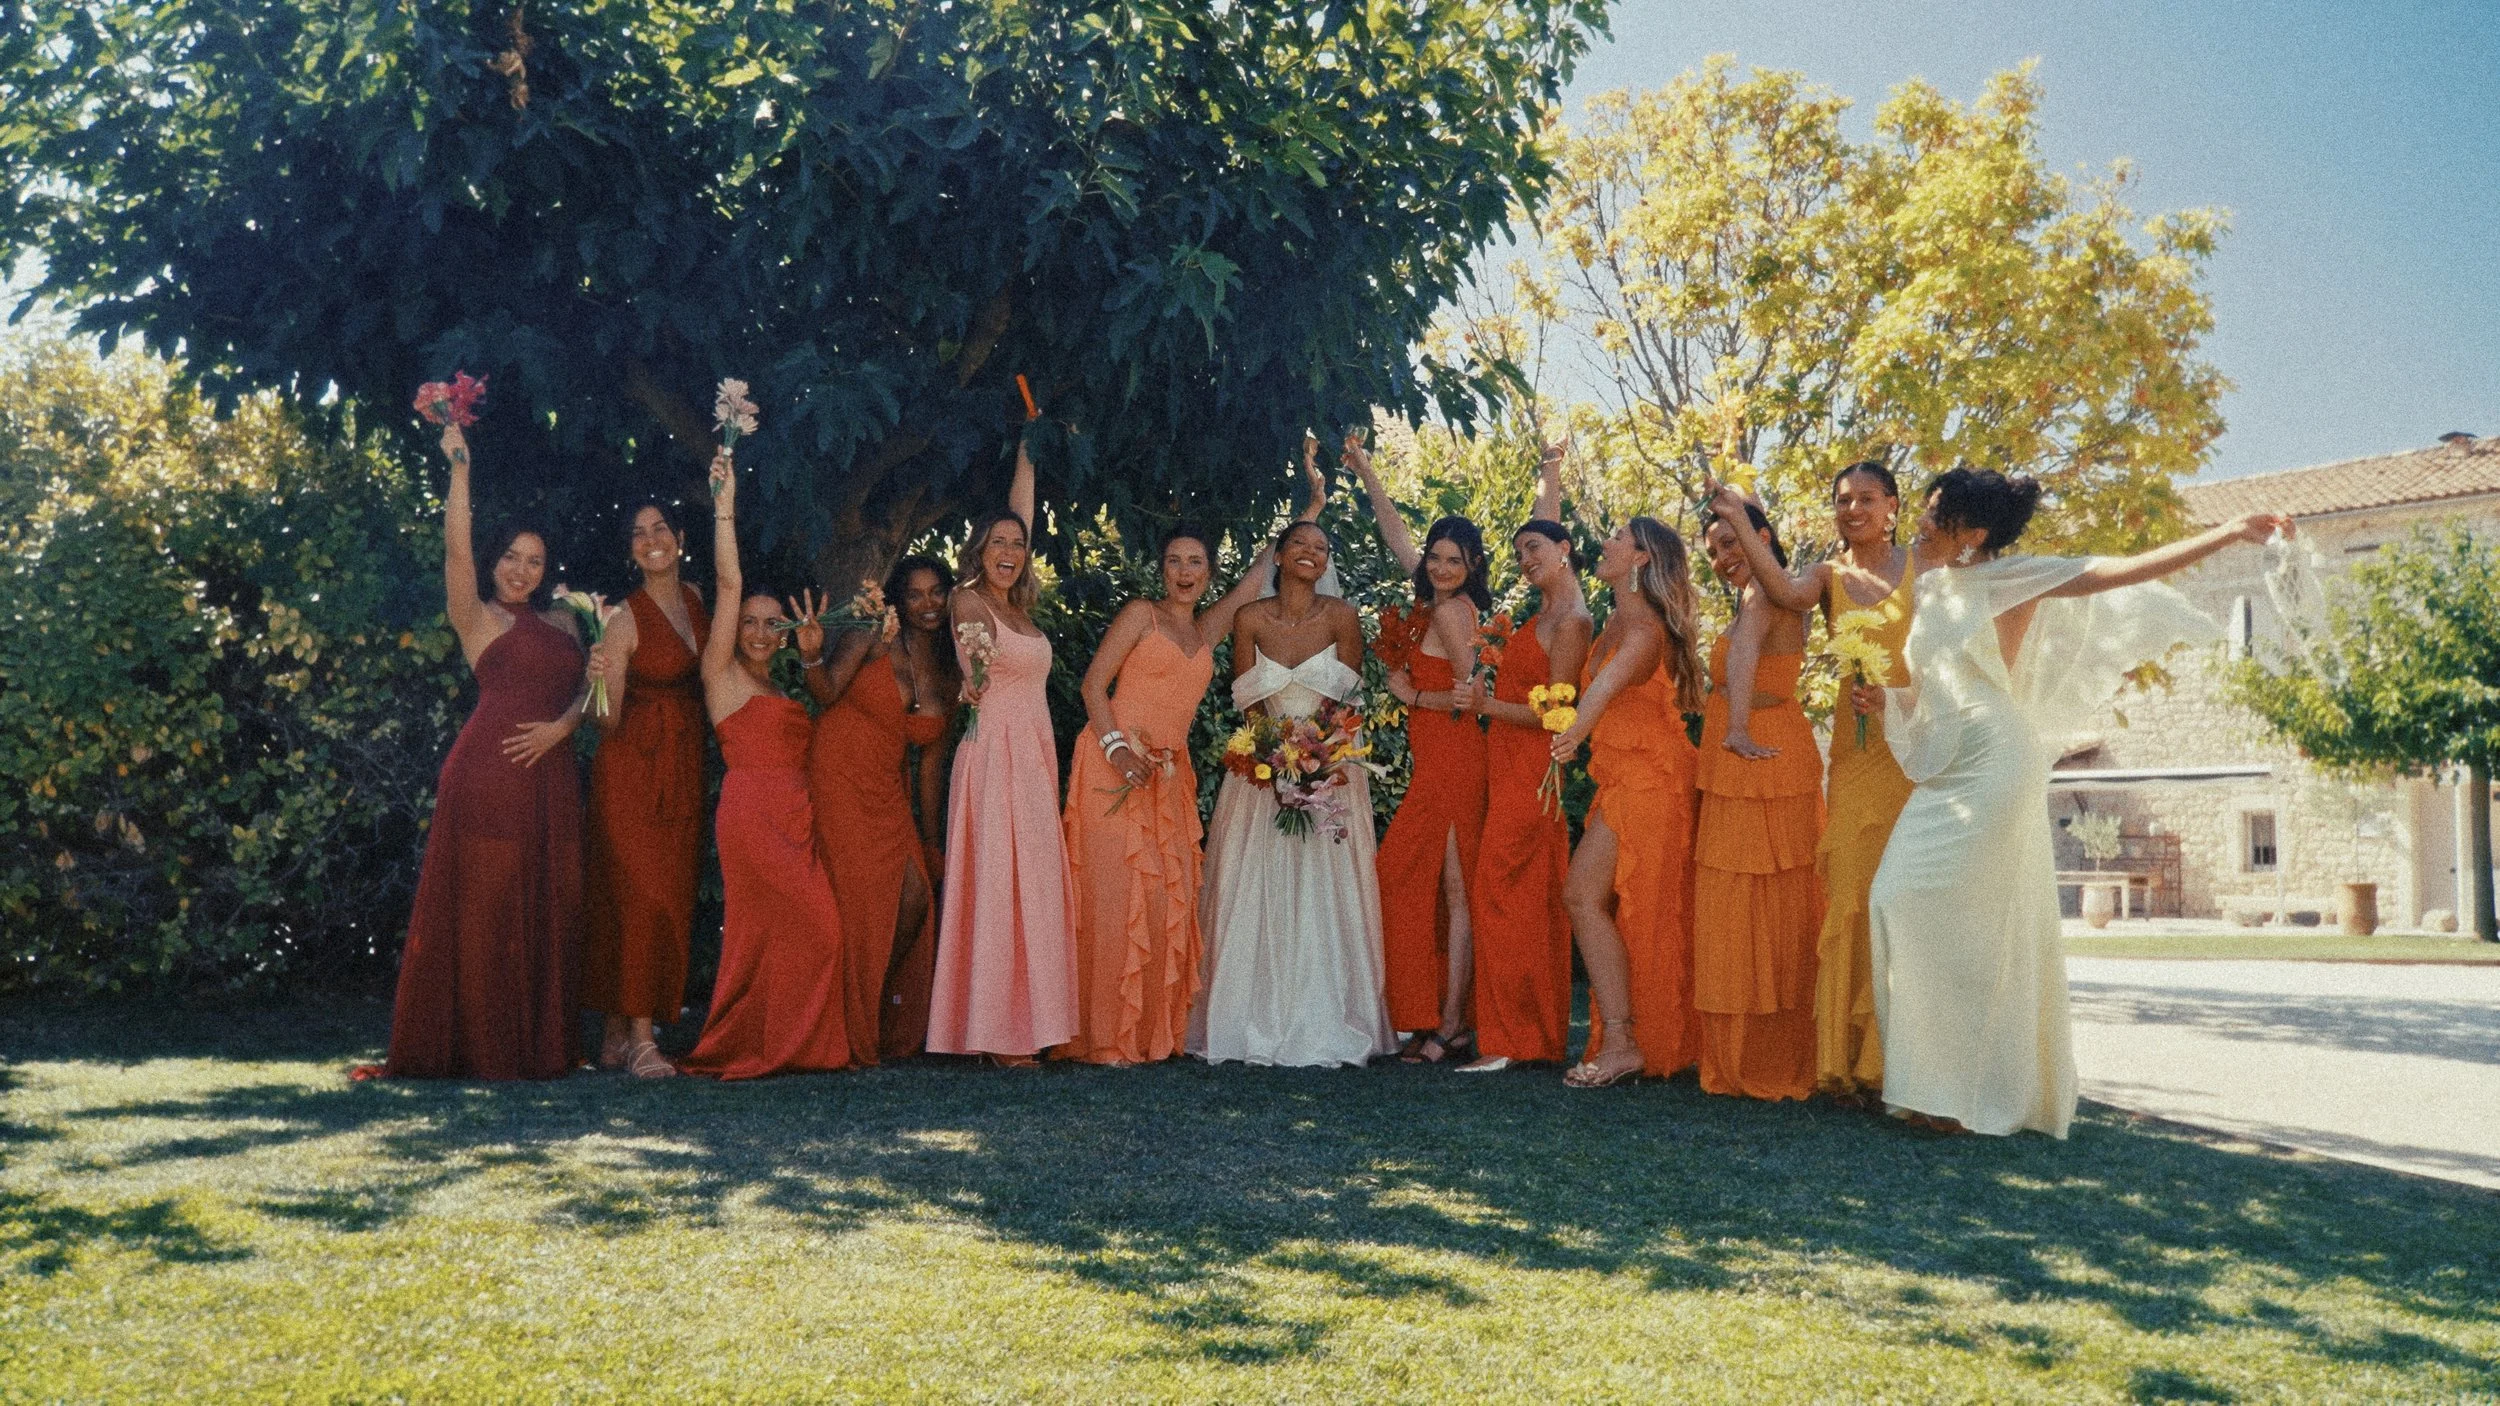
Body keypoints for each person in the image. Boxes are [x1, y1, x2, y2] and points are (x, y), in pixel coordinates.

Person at [1865, 469, 2289, 1136]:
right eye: (1925, 509)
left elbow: (2112, 571)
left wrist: (2229, 532)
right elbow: (1935, 686)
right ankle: (1932, 1085)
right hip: (1949, 770)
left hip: (1996, 761)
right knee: (1894, 897)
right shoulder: (1929, 587)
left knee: (1966, 923)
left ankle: (1959, 1098)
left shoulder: (2010, 577)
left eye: (1936, 515)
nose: (1919, 522)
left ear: (1974, 534)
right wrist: (1888, 700)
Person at [1056, 445, 1327, 1065]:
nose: (1185, 571)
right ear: (1161, 569)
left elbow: (1256, 577)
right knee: (1114, 897)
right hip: (1111, 764)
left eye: (1196, 562)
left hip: (1168, 777)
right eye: (1175, 561)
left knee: (1160, 904)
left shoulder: (1203, 630)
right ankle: (1100, 1038)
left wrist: (1309, 511)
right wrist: (1118, 750)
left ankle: (1145, 1036)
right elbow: (1093, 686)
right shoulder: (1141, 616)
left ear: (1208, 571)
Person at [382, 419, 588, 1081]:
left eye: (534, 561)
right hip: (488, 776)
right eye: (511, 558)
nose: (521, 571)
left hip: (553, 778)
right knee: (486, 908)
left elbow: (594, 696)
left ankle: (538, 1046)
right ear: (494, 559)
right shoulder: (476, 616)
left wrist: (563, 727)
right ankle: (483, 1049)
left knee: (547, 903)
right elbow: (455, 551)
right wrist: (460, 469)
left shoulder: (567, 620)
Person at [1705, 463, 1912, 1103]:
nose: (1853, 509)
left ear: (1893, 505)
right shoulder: (1825, 576)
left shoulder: (1925, 567)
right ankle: (1849, 1062)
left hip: (1918, 737)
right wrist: (1738, 515)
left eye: (1867, 498)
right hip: (1858, 745)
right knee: (1850, 889)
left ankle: (1905, 1057)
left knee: (1905, 895)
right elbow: (1778, 590)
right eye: (1843, 499)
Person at [1190, 519, 1394, 1067]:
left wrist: (1314, 758)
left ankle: (1327, 1013)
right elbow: (1246, 698)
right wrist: (1275, 758)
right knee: (1253, 881)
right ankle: (1248, 1016)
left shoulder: (1343, 617)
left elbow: (1345, 700)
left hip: (1331, 767)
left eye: (1321, 548)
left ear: (1327, 563)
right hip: (1261, 770)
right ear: (1278, 555)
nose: (1311, 552)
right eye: (1300, 543)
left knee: (1326, 885)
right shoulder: (1249, 618)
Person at [677, 450, 853, 1079]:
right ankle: (766, 1044)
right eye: (748, 622)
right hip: (752, 814)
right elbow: (728, 585)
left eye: (769, 623)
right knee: (819, 927)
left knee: (782, 935)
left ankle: (789, 1044)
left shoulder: (782, 686)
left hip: (795, 814)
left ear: (785, 630)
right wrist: (724, 506)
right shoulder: (721, 676)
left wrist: (813, 654)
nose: (757, 632)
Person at [1546, 515, 1709, 1088]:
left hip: (1651, 781)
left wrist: (1569, 735)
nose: (1605, 543)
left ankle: (1625, 1043)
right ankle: (1624, 1041)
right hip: (1624, 780)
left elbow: (1600, 691)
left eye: (1618, 538)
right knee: (1589, 899)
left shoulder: (1643, 630)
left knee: (1593, 898)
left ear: (1641, 558)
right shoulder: (1616, 617)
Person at [931, 438, 1079, 1066]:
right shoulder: (968, 600)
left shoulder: (1019, 607)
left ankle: (1035, 1021)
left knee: (1034, 886)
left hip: (1033, 759)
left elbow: (1023, 513)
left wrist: (1028, 448)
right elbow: (976, 670)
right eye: (998, 543)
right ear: (978, 550)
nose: (1010, 552)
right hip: (993, 756)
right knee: (998, 886)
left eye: (1018, 545)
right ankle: (995, 1032)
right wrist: (970, 679)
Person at [1347, 432, 1488, 1065]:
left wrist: (1411, 695)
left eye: (1454, 560)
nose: (1439, 567)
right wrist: (1365, 470)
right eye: (1435, 557)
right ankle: (1429, 1013)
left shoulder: (1454, 615)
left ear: (1472, 566)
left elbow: (1470, 696)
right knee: (1411, 883)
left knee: (1449, 891)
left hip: (1455, 762)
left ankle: (1450, 1025)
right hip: (1434, 763)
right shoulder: (1434, 601)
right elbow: (1395, 533)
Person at [1455, 444, 1593, 1073]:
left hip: (1534, 770)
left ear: (1564, 551)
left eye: (1533, 550)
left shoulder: (1572, 621)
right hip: (1507, 762)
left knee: (1499, 889)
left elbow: (1558, 713)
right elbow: (1548, 523)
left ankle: (1510, 1039)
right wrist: (1550, 474)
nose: (1525, 560)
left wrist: (1485, 705)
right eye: (1518, 554)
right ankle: (1525, 1037)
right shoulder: (1548, 608)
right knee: (1522, 894)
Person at [1691, 501, 1825, 1101]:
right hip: (1741, 755)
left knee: (1763, 905)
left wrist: (1739, 727)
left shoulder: (1768, 596)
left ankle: (1767, 1058)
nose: (1722, 559)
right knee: (1737, 903)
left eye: (1731, 543)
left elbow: (1745, 651)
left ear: (1761, 535)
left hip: (1761, 755)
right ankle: (1744, 1054)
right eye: (1713, 551)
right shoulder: (1760, 596)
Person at [803, 555, 957, 1063]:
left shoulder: (954, 669)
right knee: (857, 902)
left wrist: (931, 842)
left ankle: (861, 1004)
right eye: (915, 594)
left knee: (914, 897)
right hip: (838, 774)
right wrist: (810, 656)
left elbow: (930, 765)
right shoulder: (874, 633)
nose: (927, 604)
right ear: (899, 600)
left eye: (936, 592)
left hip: (888, 788)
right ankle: (846, 1017)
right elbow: (826, 692)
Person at [582, 502, 709, 1080]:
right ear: (630, 549)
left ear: (679, 538)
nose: (651, 539)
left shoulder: (697, 599)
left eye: (660, 528)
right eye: (638, 533)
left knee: (669, 895)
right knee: (639, 897)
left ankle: (614, 1033)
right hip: (631, 768)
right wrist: (596, 683)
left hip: (682, 764)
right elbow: (604, 721)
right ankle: (640, 1039)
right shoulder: (623, 619)